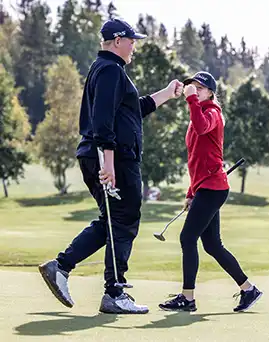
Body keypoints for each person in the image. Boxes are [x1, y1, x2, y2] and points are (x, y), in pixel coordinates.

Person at [38, 18, 183, 314]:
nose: (134, 47)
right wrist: (110, 163)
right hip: (111, 157)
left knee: (114, 221)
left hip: (103, 155)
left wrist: (168, 93)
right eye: (132, 41)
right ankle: (114, 292)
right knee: (125, 219)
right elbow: (103, 120)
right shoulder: (110, 70)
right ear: (117, 41)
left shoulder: (110, 71)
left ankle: (61, 267)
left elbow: (134, 109)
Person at [159, 71, 262, 313]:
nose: (193, 89)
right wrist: (190, 191)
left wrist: (191, 99)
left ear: (210, 92)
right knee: (213, 245)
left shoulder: (212, 113)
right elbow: (196, 159)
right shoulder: (196, 113)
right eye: (191, 86)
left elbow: (203, 127)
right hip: (204, 187)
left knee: (187, 238)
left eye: (199, 87)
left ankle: (188, 298)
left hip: (213, 188)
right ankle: (249, 290)